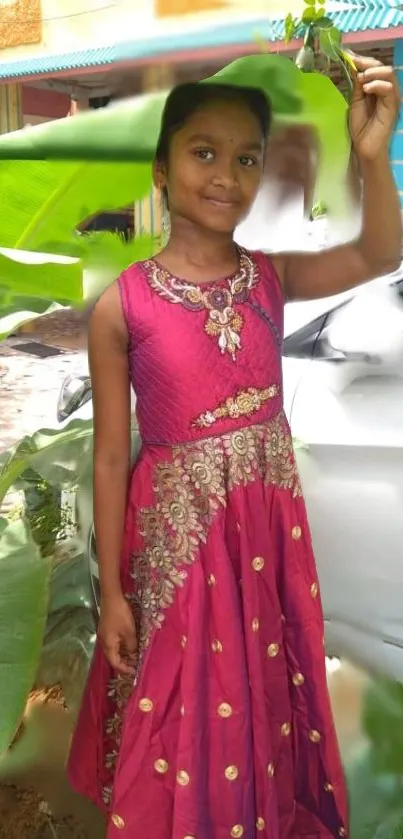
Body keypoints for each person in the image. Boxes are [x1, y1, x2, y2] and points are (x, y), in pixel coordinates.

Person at [68, 54, 401, 839]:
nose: (226, 175)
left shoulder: (271, 277)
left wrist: (368, 156)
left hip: (265, 531)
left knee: (261, 685)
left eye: (246, 157)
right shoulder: (124, 307)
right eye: (203, 152)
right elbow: (112, 456)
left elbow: (378, 256)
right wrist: (113, 593)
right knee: (183, 698)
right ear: (162, 167)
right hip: (179, 543)